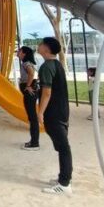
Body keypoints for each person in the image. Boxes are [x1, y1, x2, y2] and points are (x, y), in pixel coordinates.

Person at [37, 37, 72, 195]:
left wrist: (40, 112)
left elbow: (47, 92)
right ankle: (63, 178)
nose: (38, 46)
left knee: (63, 147)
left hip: (54, 111)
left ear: (46, 49)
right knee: (62, 146)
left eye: (41, 44)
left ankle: (64, 184)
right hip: (62, 110)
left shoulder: (47, 66)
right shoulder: (57, 64)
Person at [18, 46, 40, 150]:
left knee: (32, 117)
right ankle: (34, 141)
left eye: (20, 51)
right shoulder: (27, 63)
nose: (18, 52)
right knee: (32, 117)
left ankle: (35, 143)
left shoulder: (26, 63)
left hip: (29, 91)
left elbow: (31, 73)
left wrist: (28, 86)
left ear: (24, 53)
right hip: (31, 90)